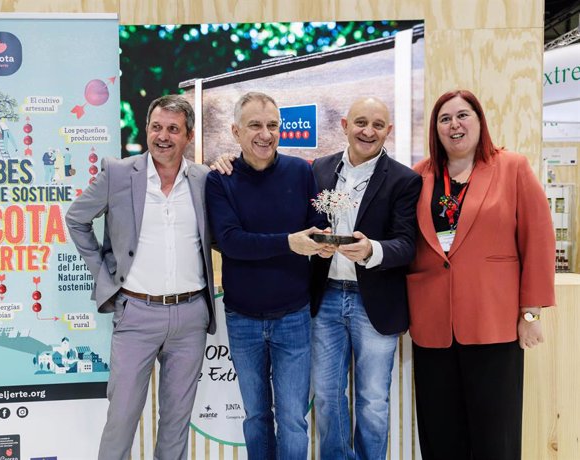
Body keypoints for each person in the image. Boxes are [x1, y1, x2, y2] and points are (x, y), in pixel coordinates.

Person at [66, 95, 216, 460]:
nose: (162, 136)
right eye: (156, 127)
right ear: (147, 129)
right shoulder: (118, 173)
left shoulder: (204, 179)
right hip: (135, 313)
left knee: (176, 424)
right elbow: (76, 219)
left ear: (189, 136)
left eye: (173, 129)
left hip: (191, 317)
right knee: (121, 420)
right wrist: (104, 276)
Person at [407, 89, 556, 460]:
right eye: (444, 118)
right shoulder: (419, 176)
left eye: (463, 115)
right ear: (435, 129)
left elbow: (538, 242)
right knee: (440, 434)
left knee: (495, 435)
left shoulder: (512, 168)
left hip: (494, 324)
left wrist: (531, 313)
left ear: (479, 121)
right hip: (433, 328)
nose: (454, 124)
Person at [205, 91, 332, 460]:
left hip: (293, 316)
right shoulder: (220, 180)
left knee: (293, 419)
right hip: (242, 318)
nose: (265, 133)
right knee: (256, 416)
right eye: (255, 125)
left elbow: (317, 226)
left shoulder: (301, 171)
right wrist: (290, 242)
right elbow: (231, 242)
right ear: (235, 131)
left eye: (273, 125)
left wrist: (323, 241)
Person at [309, 97, 421, 459]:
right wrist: (315, 245)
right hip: (324, 298)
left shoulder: (405, 180)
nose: (367, 131)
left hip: (374, 300)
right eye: (360, 122)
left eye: (377, 125)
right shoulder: (318, 170)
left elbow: (407, 245)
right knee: (326, 397)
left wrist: (372, 250)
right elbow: (302, 227)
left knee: (373, 401)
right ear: (344, 125)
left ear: (388, 130)